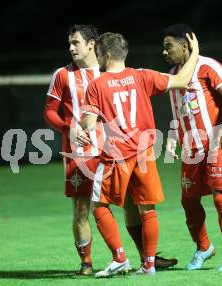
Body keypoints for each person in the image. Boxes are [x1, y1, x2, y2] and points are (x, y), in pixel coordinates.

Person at [43, 25, 176, 275]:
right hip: (80, 153)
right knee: (83, 208)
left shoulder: (111, 70)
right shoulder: (62, 75)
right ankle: (86, 263)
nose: (71, 48)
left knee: (130, 204)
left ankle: (145, 258)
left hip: (116, 151)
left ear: (93, 45)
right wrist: (67, 128)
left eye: (76, 43)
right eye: (69, 43)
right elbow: (49, 111)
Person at [82, 31, 199, 277]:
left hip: (116, 155)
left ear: (108, 55)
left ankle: (120, 258)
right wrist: (195, 51)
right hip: (144, 152)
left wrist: (82, 125)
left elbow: (89, 123)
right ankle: (148, 265)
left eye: (98, 54)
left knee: (99, 206)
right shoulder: (142, 75)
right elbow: (181, 80)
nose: (97, 59)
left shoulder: (97, 84)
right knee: (148, 209)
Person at [162, 23, 222, 271]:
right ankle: (204, 247)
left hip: (217, 142)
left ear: (184, 46)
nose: (164, 52)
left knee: (221, 199)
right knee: (189, 201)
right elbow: (179, 110)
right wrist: (174, 135)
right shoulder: (175, 76)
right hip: (191, 148)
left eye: (168, 47)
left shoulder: (208, 66)